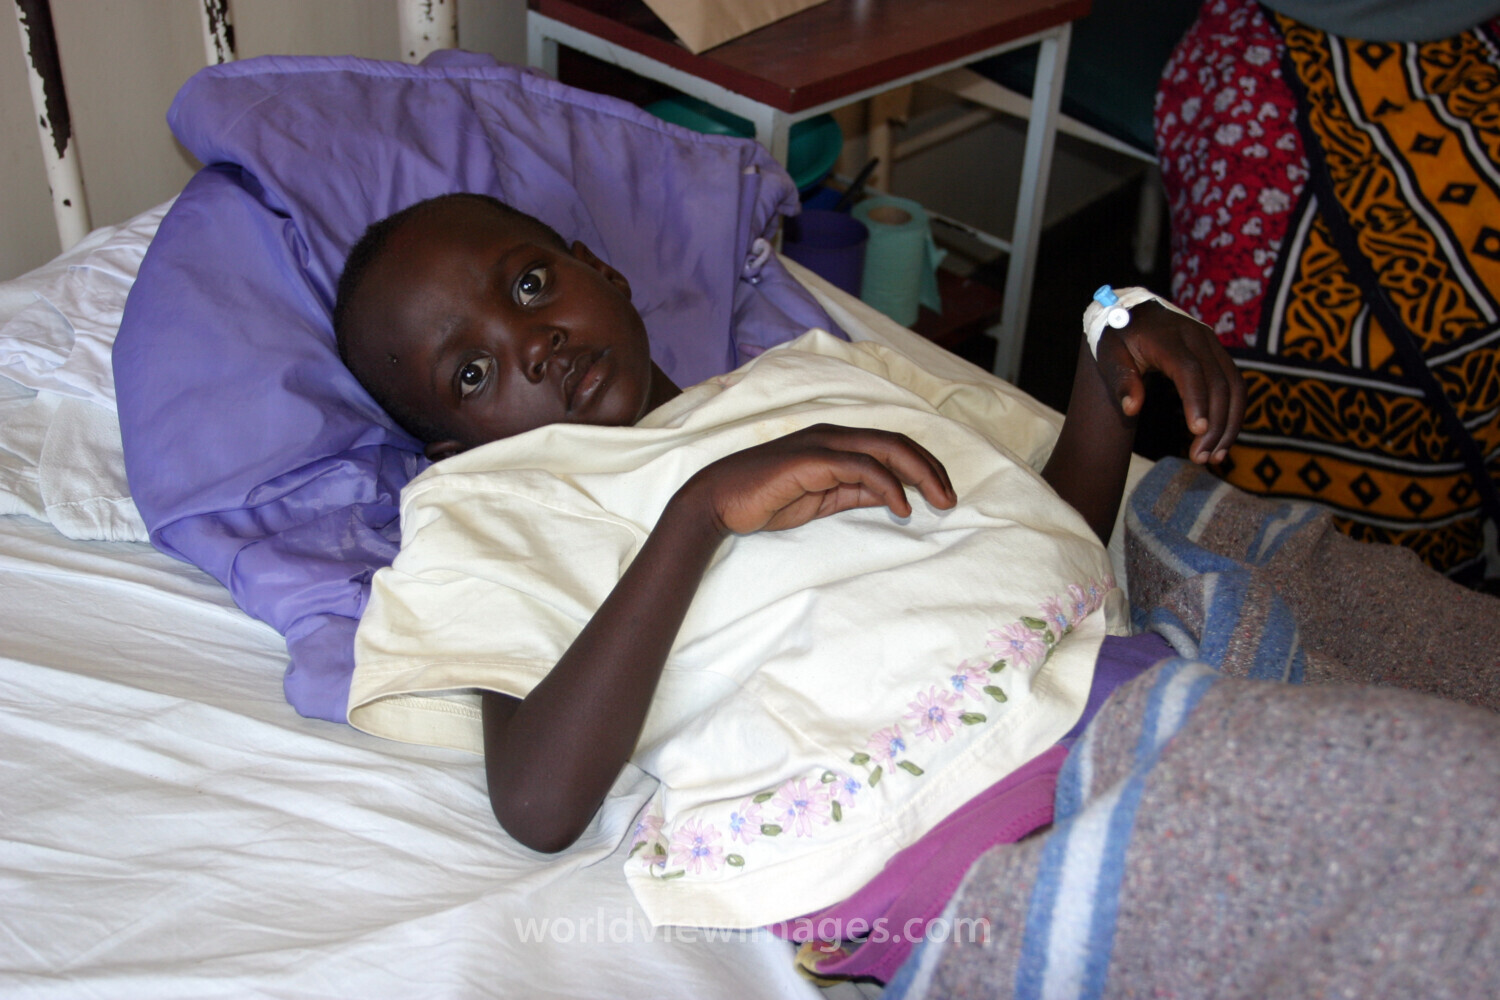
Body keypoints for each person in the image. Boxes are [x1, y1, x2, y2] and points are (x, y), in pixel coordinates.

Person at [333, 191, 1244, 945]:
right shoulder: (492, 506)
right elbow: (538, 803)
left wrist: (1104, 374)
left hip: (1110, 685)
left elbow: (1035, 545)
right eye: (472, 373)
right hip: (923, 815)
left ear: (600, 270)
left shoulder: (823, 372)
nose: (533, 343)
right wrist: (699, 513)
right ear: (456, 451)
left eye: (531, 285)